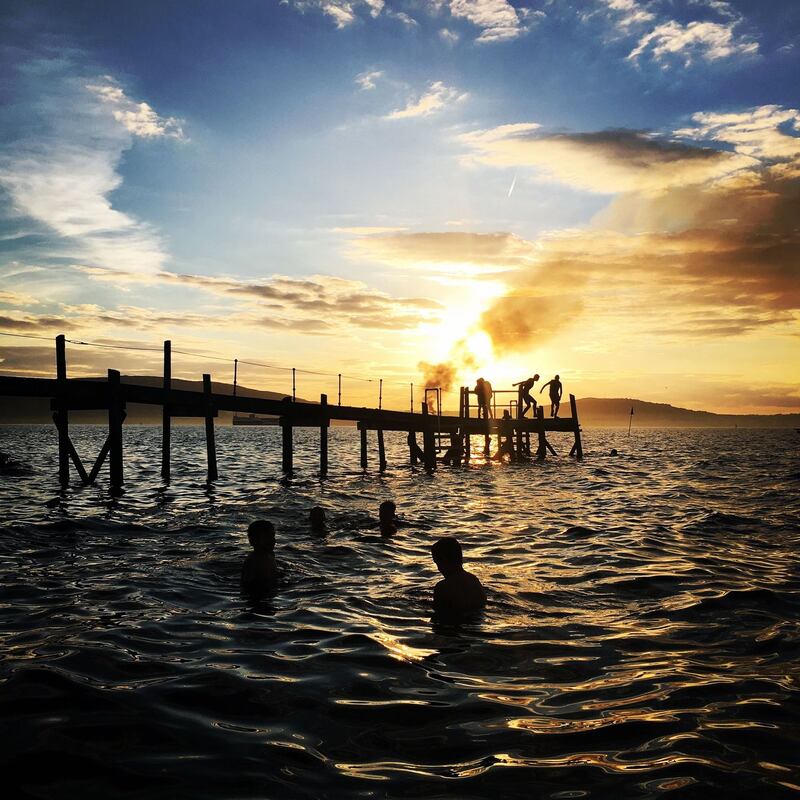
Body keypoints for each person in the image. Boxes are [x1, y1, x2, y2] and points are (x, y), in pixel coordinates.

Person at [431, 537, 486, 618]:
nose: (438, 568)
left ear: (443, 559)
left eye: (437, 563)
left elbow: (438, 616)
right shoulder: (474, 580)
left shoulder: (443, 587)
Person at [241, 519, 278, 594]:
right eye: (267, 537)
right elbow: (250, 584)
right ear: (252, 540)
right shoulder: (255, 560)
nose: (273, 540)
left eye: (272, 536)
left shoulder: (270, 555)